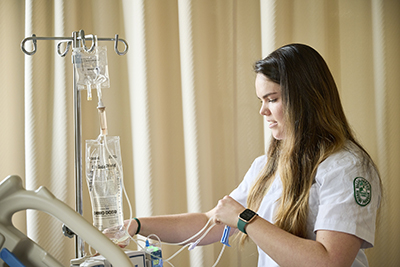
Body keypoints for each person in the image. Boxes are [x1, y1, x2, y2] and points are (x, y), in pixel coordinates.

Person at [124, 43, 381, 266]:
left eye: (272, 99)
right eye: (261, 100)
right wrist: (136, 225)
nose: (263, 111)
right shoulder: (267, 166)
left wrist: (246, 219)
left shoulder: (347, 167)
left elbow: (329, 261)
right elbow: (207, 223)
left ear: (304, 99)